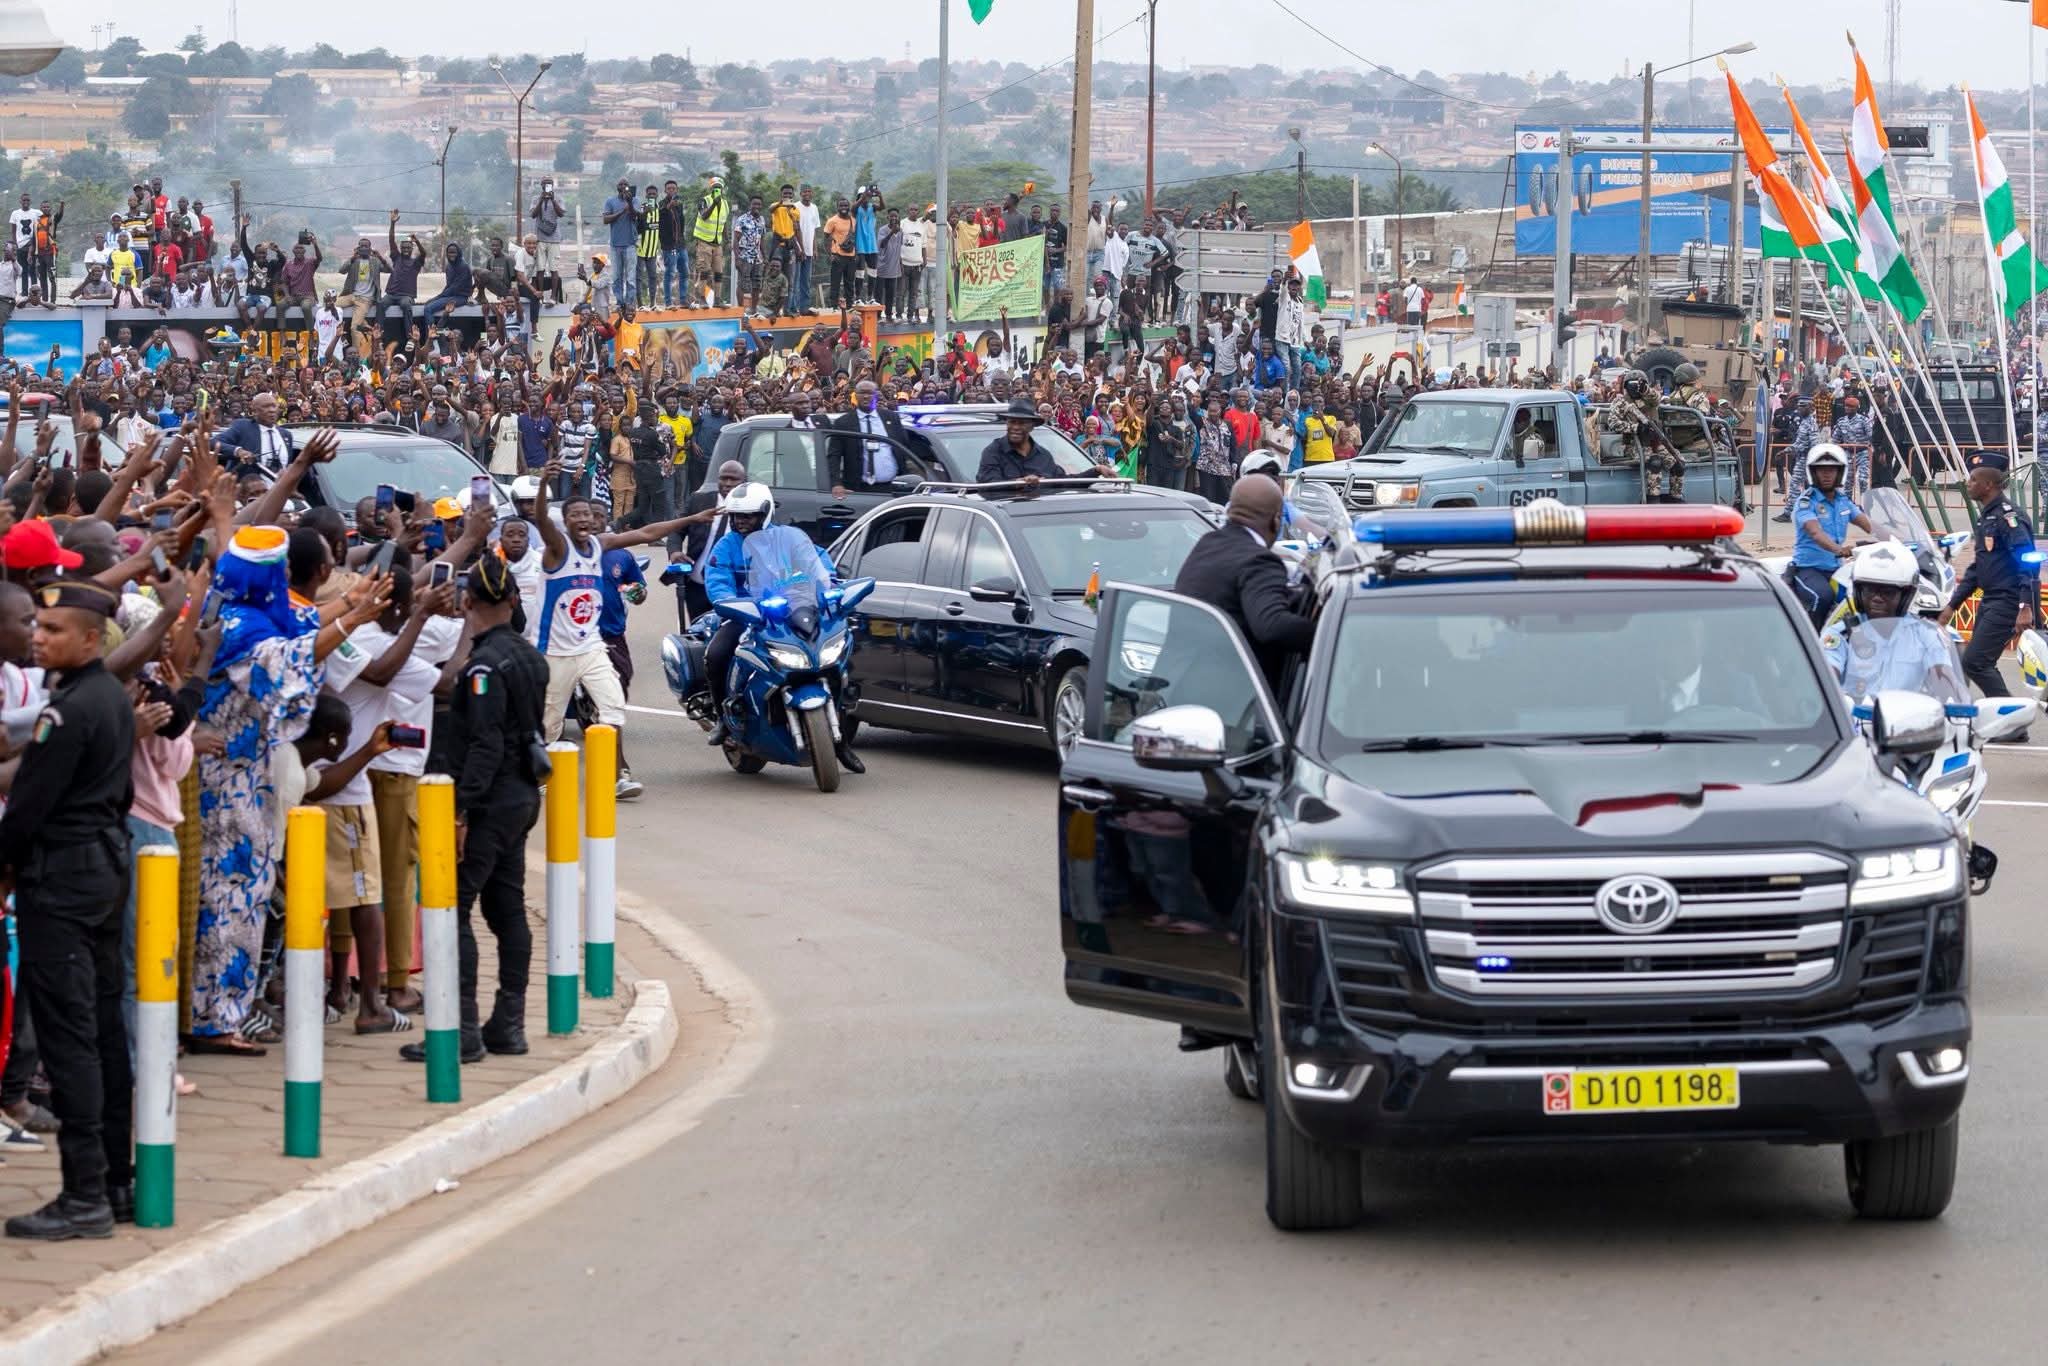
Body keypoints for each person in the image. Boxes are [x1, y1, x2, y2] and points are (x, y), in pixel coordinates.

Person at [0, 581, 135, 1239]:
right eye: (38, 626)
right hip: (102, 867)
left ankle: (84, 1195)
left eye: (53, 630)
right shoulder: (107, 696)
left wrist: (5, 867)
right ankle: (117, 1181)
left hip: (61, 879)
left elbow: (28, 807)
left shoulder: (68, 711)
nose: (38, 637)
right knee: (103, 1028)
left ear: (89, 639)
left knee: (68, 1034)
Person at [401, 554, 549, 1066]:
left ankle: (460, 1028)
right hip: (521, 796)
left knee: (452, 908)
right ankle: (508, 1024)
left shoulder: (483, 667)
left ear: (467, 601)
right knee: (506, 908)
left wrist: (460, 813)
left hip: (487, 803)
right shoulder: (529, 656)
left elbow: (485, 745)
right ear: (513, 599)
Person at [530, 460, 708, 792]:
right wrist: (542, 485)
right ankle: (539, 779)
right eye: (576, 515)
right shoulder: (558, 549)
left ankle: (616, 778)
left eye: (587, 514)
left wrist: (691, 519)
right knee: (550, 722)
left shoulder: (601, 545)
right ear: (565, 522)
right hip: (555, 652)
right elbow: (541, 521)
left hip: (591, 647)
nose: (583, 519)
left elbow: (646, 533)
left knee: (612, 708)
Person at [701, 483, 864, 774]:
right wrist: (730, 601)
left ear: (765, 513)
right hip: (748, 614)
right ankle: (723, 721)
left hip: (794, 610)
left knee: (838, 650)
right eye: (736, 516)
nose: (740, 521)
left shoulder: (788, 538)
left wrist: (829, 583)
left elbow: (817, 561)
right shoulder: (726, 546)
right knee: (716, 655)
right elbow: (717, 580)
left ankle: (841, 742)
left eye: (748, 515)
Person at [1171, 477, 1315, 689]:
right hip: (1230, 692)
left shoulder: (1207, 544)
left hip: (1181, 683)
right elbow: (1273, 626)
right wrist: (1331, 633)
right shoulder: (1259, 560)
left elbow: (1230, 596)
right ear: (1276, 520)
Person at [1938, 453, 2039, 709]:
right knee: (1977, 662)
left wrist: (2025, 606)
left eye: (1973, 480)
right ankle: (2003, 718)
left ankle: (2012, 721)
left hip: (2008, 601)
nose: (1968, 483)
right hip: (1991, 600)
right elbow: (1977, 568)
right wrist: (1952, 605)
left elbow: (2028, 561)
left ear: (1988, 485)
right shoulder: (1987, 517)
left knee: (1976, 662)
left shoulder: (2009, 517)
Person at [1823, 541, 1969, 705]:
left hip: (1908, 718)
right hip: (1853, 719)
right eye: (1869, 590)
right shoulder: (1840, 635)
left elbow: (1944, 679)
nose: (1877, 598)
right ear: (1858, 592)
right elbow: (1825, 678)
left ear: (1907, 595)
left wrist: (1958, 704)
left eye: (1887, 592)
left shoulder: (1927, 634)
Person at [1787, 444, 1876, 631]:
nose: (1827, 474)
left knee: (1863, 595)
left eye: (1831, 470)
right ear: (1813, 473)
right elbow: (1815, 533)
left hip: (1836, 569)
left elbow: (1868, 524)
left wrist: (1893, 537)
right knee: (1823, 596)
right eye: (1822, 470)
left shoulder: (1843, 501)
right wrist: (1839, 549)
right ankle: (1811, 640)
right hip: (1808, 569)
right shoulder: (1806, 502)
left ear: (1840, 472)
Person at [829, 380, 911, 496]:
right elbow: (834, 456)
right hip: (857, 489)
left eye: (870, 393)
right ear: (855, 395)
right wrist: (836, 483)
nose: (866, 396)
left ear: (876, 395)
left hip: (892, 488)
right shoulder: (843, 423)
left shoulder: (892, 418)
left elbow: (904, 448)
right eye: (862, 393)